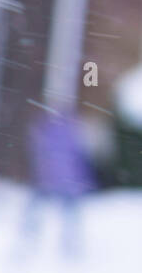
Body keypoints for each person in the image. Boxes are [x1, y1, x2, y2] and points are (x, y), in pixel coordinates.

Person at [20, 105, 96, 259]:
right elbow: (80, 157)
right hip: (65, 182)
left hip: (53, 181)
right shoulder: (71, 129)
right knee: (65, 217)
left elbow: (40, 152)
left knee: (42, 215)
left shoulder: (47, 128)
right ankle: (67, 248)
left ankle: (31, 242)